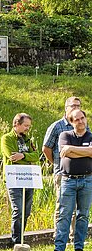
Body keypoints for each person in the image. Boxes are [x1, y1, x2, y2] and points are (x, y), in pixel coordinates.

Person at [53, 108, 92, 251]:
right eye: (77, 119)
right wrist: (84, 152)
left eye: (82, 118)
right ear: (71, 122)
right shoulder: (65, 135)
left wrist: (71, 149)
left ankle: (79, 246)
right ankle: (59, 248)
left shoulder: (91, 136)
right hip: (68, 180)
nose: (81, 121)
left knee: (83, 215)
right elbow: (64, 154)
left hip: (87, 180)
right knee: (65, 214)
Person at [43, 96, 82, 237]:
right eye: (73, 105)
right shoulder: (57, 126)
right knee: (63, 207)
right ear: (66, 108)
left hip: (81, 173)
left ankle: (74, 236)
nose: (76, 108)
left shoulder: (82, 125)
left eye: (78, 105)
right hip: (62, 173)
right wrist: (56, 163)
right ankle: (59, 236)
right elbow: (46, 148)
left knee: (78, 208)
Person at [0, 113, 40, 245]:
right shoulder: (7, 138)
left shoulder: (28, 140)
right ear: (16, 124)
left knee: (26, 211)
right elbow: (11, 156)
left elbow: (36, 156)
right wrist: (26, 157)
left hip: (29, 177)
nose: (28, 128)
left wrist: (22, 155)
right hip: (14, 179)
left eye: (29, 126)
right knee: (18, 209)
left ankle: (20, 237)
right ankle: (16, 240)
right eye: (25, 125)